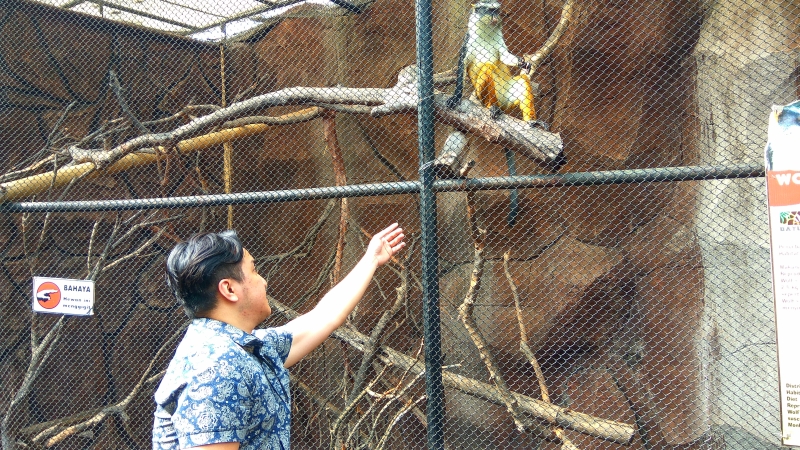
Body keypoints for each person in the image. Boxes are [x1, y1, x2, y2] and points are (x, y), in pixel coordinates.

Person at [152, 223, 405, 450]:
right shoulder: (217, 365)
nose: (263, 281)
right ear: (229, 289)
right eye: (254, 271)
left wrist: (371, 260)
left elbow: (322, 318)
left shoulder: (243, 349)